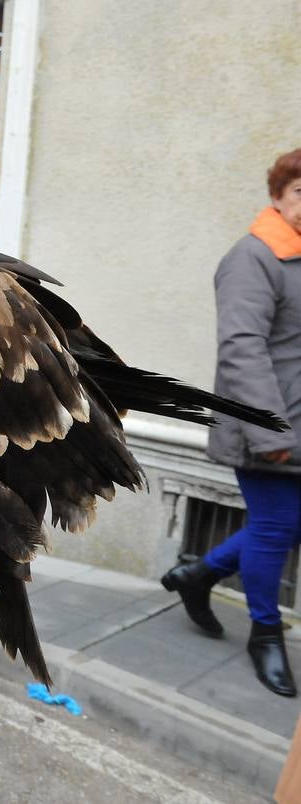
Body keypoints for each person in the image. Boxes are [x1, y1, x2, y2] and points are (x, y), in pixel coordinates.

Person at [163, 147, 301, 697]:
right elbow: (241, 348)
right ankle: (266, 635)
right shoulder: (254, 256)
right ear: (277, 196)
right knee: (274, 528)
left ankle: (199, 575)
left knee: (287, 526)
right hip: (267, 425)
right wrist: (271, 433)